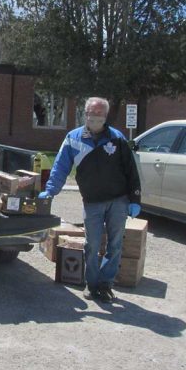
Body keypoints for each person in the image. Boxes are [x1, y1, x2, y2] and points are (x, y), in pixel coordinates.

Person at [39, 97, 141, 303]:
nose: (95, 118)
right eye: (92, 114)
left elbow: (131, 170)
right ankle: (92, 284)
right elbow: (61, 166)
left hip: (118, 200)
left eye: (99, 115)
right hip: (92, 201)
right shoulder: (73, 138)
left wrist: (135, 198)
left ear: (105, 116)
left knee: (115, 244)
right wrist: (50, 190)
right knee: (92, 244)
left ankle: (106, 284)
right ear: (85, 114)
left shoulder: (118, 138)